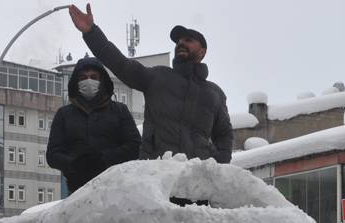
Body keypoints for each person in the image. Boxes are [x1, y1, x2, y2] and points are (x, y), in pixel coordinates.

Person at [68, 4, 233, 164]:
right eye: (178, 41)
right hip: (157, 174)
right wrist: (91, 33)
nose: (181, 43)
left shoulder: (214, 94)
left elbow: (224, 134)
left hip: (197, 179)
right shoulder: (158, 77)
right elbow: (121, 64)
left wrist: (217, 164)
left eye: (188, 40)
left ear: (202, 51)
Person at [47, 57, 141, 194]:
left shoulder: (120, 111)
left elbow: (135, 146)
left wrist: (105, 159)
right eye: (83, 77)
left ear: (102, 81)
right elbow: (52, 155)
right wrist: (74, 163)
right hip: (77, 190)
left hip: (115, 187)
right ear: (76, 82)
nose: (88, 81)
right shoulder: (64, 114)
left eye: (93, 77)